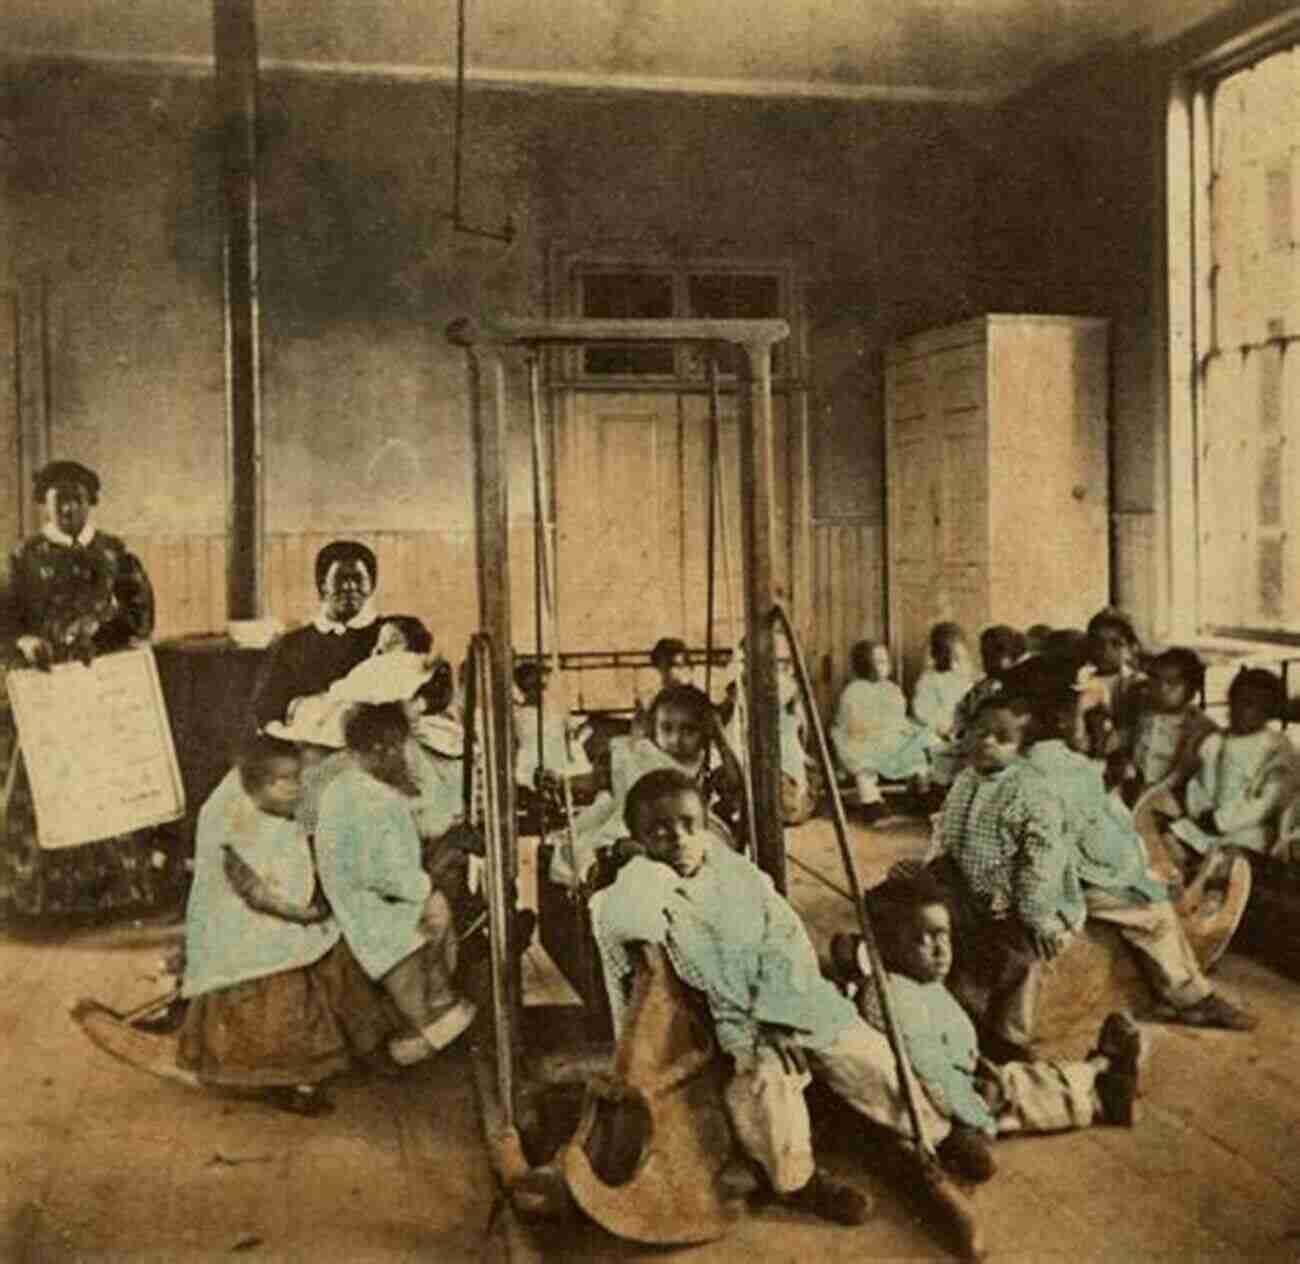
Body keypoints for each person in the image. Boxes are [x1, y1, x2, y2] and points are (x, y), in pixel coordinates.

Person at [591, 768, 956, 1226]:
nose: (679, 840)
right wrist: (636, 865)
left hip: (790, 996)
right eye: (659, 832)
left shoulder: (740, 874)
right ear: (639, 838)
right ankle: (797, 1180)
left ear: (706, 822)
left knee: (861, 1050)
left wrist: (779, 1014)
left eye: (689, 824)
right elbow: (618, 917)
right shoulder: (647, 887)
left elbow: (786, 940)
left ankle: (929, 1129)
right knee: (767, 1086)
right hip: (736, 1021)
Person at [850, 868, 1148, 1183]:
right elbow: (931, 1069)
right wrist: (975, 1115)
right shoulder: (898, 996)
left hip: (961, 1073)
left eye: (943, 935)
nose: (941, 951)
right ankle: (1099, 1096)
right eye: (922, 940)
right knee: (1018, 1095)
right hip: (939, 1096)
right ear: (887, 948)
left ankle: (1097, 1071)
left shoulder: (917, 979)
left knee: (1019, 1079)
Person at [1018, 655, 1254, 1033]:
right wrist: (1142, 875)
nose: (1093, 725)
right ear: (1061, 719)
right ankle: (1190, 997)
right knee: (1151, 908)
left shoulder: (1020, 757)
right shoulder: (1070, 769)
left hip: (1027, 868)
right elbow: (1100, 849)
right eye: (1085, 715)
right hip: (1053, 881)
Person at [178, 736, 394, 1115]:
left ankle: (362, 1044)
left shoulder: (284, 817)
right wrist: (302, 915)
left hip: (293, 914)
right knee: (284, 986)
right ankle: (289, 1077)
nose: (295, 786)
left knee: (339, 955)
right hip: (255, 922)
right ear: (255, 787)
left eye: (297, 778)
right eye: (283, 781)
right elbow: (254, 891)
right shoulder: (239, 825)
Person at [314, 703, 478, 1067]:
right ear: (382, 748)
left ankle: (431, 1007)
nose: (405, 757)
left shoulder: (348, 786)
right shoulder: (372, 798)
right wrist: (428, 886)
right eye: (402, 747)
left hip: (361, 888)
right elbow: (386, 870)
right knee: (426, 924)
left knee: (432, 916)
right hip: (368, 898)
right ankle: (423, 1023)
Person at [560, 683, 743, 885]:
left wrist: (720, 737)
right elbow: (596, 781)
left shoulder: (707, 759)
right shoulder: (638, 754)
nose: (676, 738)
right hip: (634, 823)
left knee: (713, 856)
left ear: (705, 731)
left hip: (686, 825)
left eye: (688, 730)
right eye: (667, 728)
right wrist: (562, 782)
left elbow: (735, 784)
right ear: (654, 728)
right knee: (598, 849)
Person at [252, 540, 414, 730]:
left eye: (357, 578)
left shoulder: (393, 636)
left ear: (371, 585)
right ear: (322, 586)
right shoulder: (292, 644)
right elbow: (267, 708)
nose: (349, 586)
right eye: (340, 579)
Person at [7, 460, 154, 667]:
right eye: (59, 500)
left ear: (90, 502)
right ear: (45, 504)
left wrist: (110, 632)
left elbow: (139, 612)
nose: (69, 508)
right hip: (46, 668)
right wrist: (24, 641)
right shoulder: (24, 555)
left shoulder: (113, 551)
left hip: (106, 664)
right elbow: (6, 617)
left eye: (77, 499)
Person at [1166, 667, 1299, 872]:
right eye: (1235, 701)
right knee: (1169, 835)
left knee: (1234, 859)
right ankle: (1182, 877)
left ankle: (1216, 885)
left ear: (1268, 711)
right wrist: (1200, 811)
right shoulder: (1216, 740)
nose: (1239, 710)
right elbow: (1198, 782)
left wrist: (1222, 820)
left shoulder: (1277, 747)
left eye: (1251, 705)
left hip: (1247, 829)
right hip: (1207, 822)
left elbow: (1267, 802)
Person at [829, 640, 932, 823]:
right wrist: (879, 730)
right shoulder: (855, 691)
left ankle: (920, 794)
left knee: (918, 751)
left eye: (885, 661)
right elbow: (852, 723)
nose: (883, 666)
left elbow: (899, 717)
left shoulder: (891, 689)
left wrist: (906, 729)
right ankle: (871, 801)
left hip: (889, 736)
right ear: (863, 666)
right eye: (877, 662)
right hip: (861, 738)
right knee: (864, 765)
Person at [1116, 647, 1216, 805]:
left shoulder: (1198, 725)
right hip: (1133, 783)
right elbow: (1128, 742)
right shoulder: (1143, 710)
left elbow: (1184, 771)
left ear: (1191, 689)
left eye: (1172, 683)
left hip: (1171, 792)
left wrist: (1154, 790)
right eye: (1156, 680)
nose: (1162, 689)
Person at [948, 625, 1025, 774]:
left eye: (995, 655)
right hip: (978, 749)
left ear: (1011, 656)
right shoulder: (979, 688)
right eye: (984, 655)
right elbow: (961, 716)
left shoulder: (1022, 686)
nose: (987, 662)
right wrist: (963, 733)